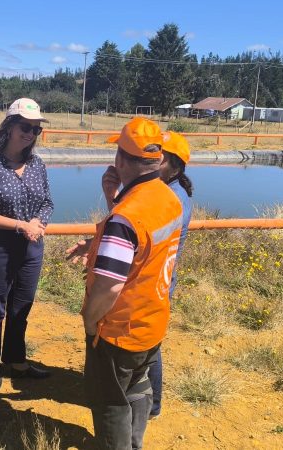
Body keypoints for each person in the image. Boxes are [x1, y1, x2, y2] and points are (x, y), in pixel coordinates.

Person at [67, 117, 183, 449]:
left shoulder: (126, 217)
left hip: (119, 329)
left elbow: (109, 286)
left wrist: (90, 322)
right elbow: (141, 250)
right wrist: (114, 197)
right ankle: (135, 443)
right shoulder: (166, 198)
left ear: (120, 159)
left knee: (109, 403)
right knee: (138, 386)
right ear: (158, 158)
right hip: (153, 320)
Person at [100, 131, 193, 421]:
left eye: (158, 155)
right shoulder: (164, 192)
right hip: (157, 276)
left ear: (171, 164)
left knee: (145, 343)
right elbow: (131, 237)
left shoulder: (168, 196)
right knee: (148, 342)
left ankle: (148, 405)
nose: (153, 158)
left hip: (151, 280)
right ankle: (145, 402)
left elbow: (132, 233)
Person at [0, 98, 54, 391]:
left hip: (31, 248)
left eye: (36, 129)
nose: (31, 134)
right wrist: (22, 225)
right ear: (9, 127)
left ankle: (17, 360)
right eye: (25, 127)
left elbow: (47, 201)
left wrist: (38, 223)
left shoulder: (36, 165)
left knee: (22, 306)